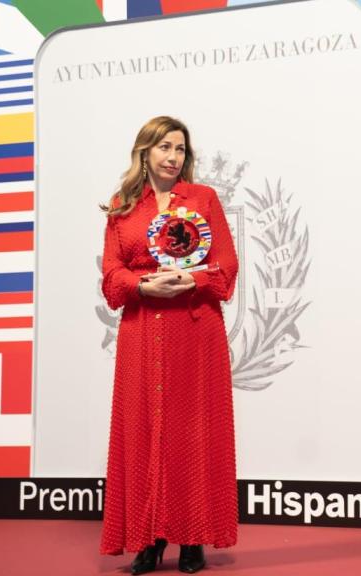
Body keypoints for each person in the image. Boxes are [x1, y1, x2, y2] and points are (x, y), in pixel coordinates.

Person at [99, 116, 239, 574]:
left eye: (180, 149)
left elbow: (226, 268)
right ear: (145, 152)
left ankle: (193, 538)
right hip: (142, 331)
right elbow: (112, 276)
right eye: (164, 147)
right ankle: (149, 540)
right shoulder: (123, 207)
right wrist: (143, 286)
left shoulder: (203, 200)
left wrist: (189, 277)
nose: (173, 157)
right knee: (143, 433)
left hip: (195, 330)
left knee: (192, 432)